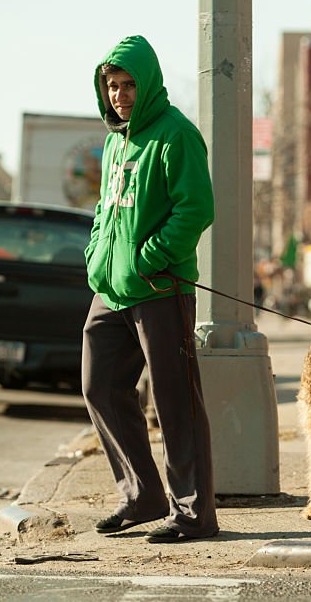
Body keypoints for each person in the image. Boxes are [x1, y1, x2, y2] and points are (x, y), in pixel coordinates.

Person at [81, 35, 219, 543]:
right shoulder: (116, 140)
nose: (119, 95)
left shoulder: (176, 134)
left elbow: (196, 208)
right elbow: (104, 208)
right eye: (112, 86)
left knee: (174, 401)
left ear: (149, 83)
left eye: (128, 84)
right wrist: (98, 255)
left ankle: (194, 514)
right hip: (111, 288)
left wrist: (148, 258)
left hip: (160, 288)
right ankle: (142, 496)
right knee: (101, 387)